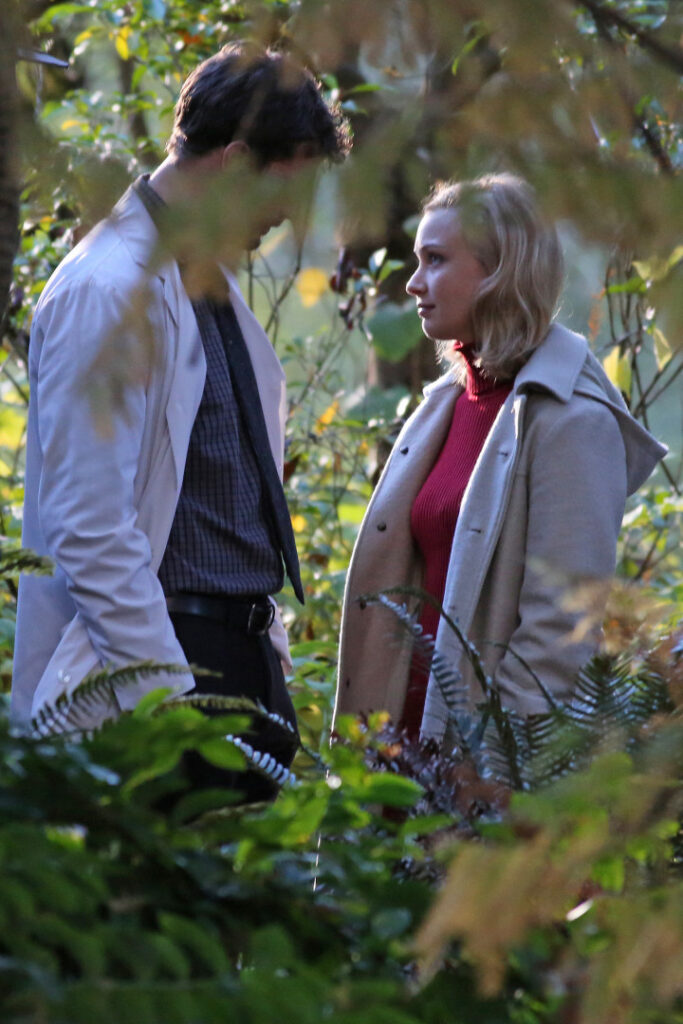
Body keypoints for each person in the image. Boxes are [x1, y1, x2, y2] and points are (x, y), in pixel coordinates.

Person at [12, 42, 349, 799]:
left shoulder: (199, 280)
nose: (287, 219)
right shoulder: (108, 290)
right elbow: (90, 528)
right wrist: (171, 702)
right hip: (159, 683)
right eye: (284, 193)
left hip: (230, 665)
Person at [334, 173, 667, 746]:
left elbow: (560, 634)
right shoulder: (447, 404)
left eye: (436, 260)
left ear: (500, 272)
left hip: (476, 766)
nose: (413, 283)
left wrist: (491, 764)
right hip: (399, 748)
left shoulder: (571, 421)